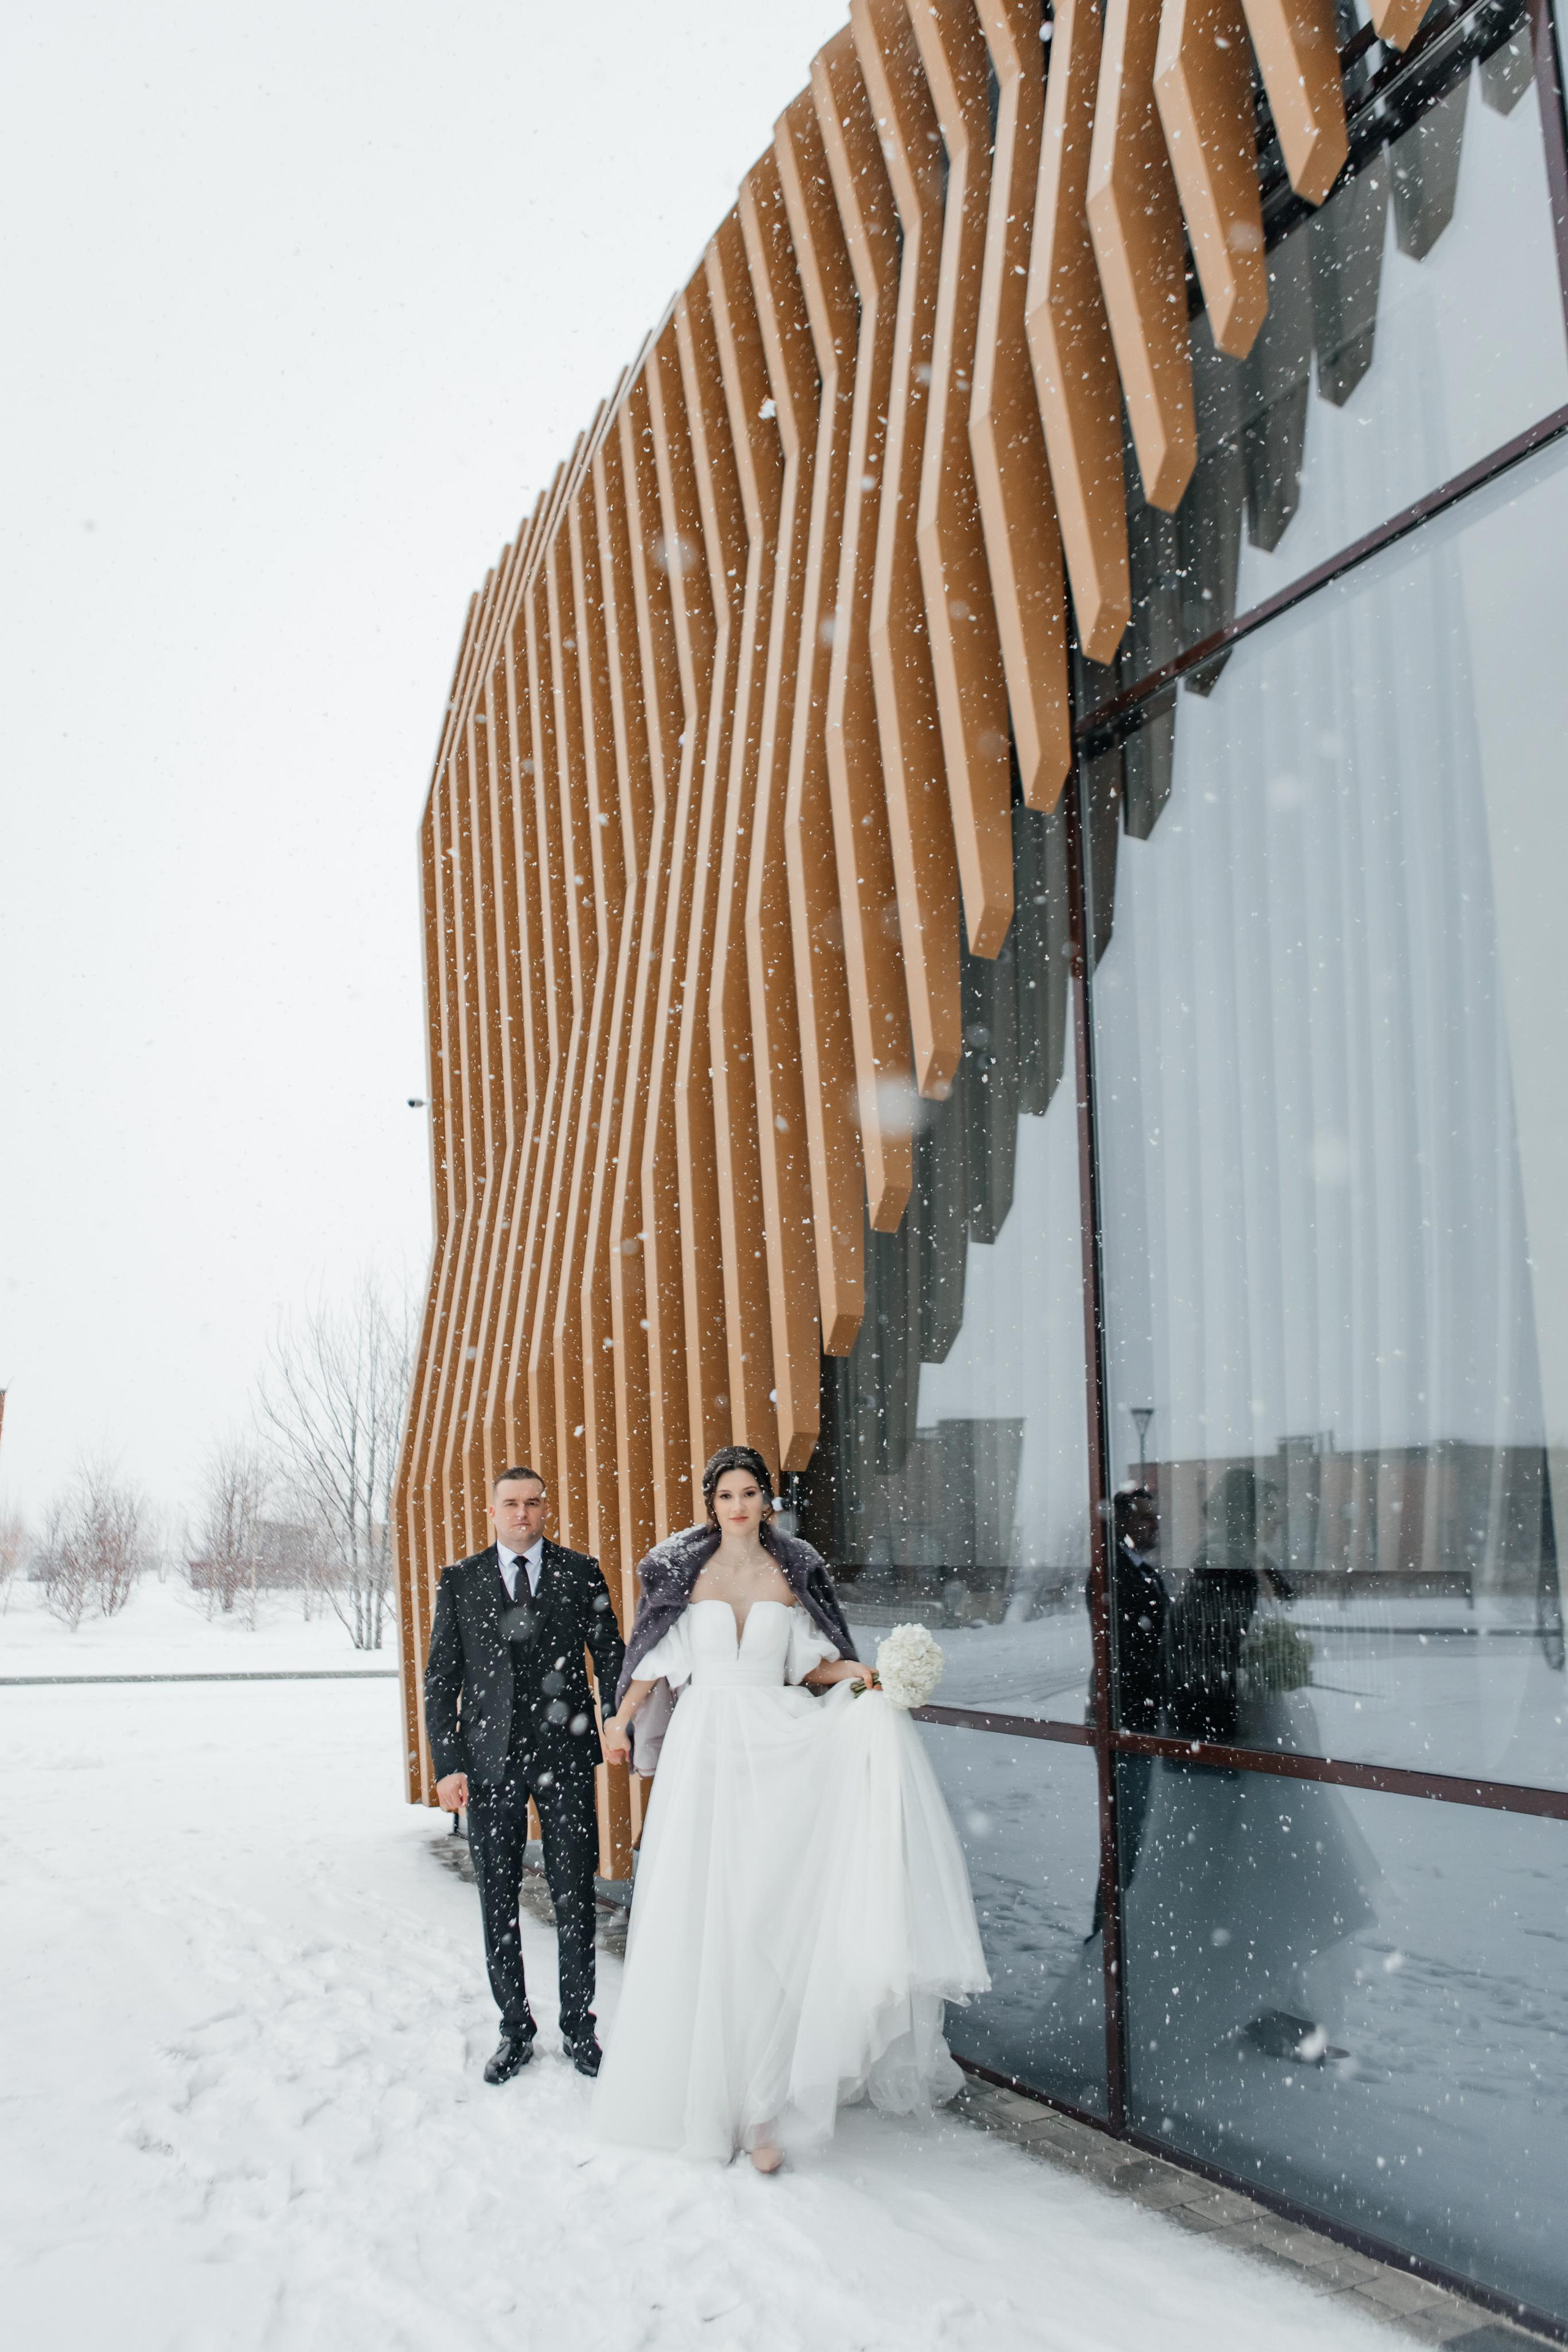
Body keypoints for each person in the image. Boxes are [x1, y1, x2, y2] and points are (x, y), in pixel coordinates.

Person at [594, 1444, 989, 2171]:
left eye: (749, 1493)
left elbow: (811, 1664)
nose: (738, 1506)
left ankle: (763, 2112)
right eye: (725, 1496)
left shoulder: (791, 1570)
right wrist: (618, 1720)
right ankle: (706, 2104)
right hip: (706, 1750)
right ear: (711, 1504)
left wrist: (865, 1672)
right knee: (706, 1916)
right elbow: (651, 1662)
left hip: (778, 1746)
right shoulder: (684, 1572)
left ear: (767, 1500)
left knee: (766, 1919)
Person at [423, 1465, 625, 2084]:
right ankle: (515, 2030)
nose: (521, 1513)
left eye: (532, 1503)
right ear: (492, 1511)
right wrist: (448, 1766)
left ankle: (579, 2029)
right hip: (489, 1765)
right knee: (498, 1899)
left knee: (574, 1896)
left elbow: (610, 1654)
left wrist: (615, 1720)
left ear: (545, 1509)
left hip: (566, 1759)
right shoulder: (461, 1580)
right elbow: (441, 1680)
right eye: (510, 1503)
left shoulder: (579, 1572)